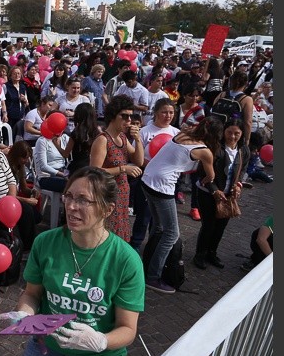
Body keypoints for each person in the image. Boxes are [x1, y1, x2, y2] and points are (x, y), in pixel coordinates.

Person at [1, 166, 144, 356]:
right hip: (45, 352)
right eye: (69, 196)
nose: (71, 206)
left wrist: (101, 341)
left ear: (108, 209)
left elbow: (127, 329)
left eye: (83, 200)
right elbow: (32, 294)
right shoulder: (45, 242)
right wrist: (25, 314)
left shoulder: (125, 260)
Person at [141, 116, 224, 294]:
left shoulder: (183, 134)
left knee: (158, 227)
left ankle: (146, 263)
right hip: (162, 187)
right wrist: (205, 179)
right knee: (171, 234)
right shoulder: (205, 151)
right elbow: (210, 177)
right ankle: (153, 276)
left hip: (147, 179)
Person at [192, 117, 249, 270]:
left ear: (242, 134)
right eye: (229, 132)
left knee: (220, 226)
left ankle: (212, 253)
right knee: (209, 225)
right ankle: (200, 254)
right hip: (207, 192)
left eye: (236, 133)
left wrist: (238, 184)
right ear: (224, 131)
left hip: (227, 195)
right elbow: (202, 172)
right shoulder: (215, 148)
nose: (232, 137)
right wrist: (214, 190)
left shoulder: (243, 150)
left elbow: (243, 170)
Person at [90, 95, 145, 242]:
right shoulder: (103, 140)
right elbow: (94, 171)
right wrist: (123, 169)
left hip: (121, 194)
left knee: (119, 235)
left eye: (130, 116)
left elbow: (139, 161)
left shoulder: (122, 138)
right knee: (107, 235)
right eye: (124, 116)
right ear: (113, 116)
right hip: (107, 195)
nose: (129, 120)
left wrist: (138, 140)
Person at [131, 98, 180, 250]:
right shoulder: (145, 132)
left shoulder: (176, 133)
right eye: (164, 112)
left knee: (160, 220)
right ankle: (135, 245)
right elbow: (135, 156)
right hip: (147, 181)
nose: (168, 116)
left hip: (167, 184)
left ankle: (153, 247)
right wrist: (153, 166)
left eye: (171, 112)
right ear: (156, 113)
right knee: (143, 216)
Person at [212, 70, 254, 147]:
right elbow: (248, 122)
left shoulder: (222, 94)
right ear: (246, 83)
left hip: (215, 130)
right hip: (232, 134)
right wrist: (247, 139)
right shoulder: (246, 99)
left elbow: (213, 109)